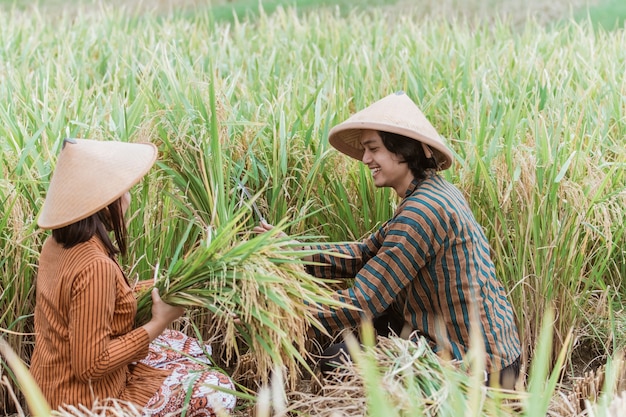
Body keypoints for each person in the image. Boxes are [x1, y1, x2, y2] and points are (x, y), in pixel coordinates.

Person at [254, 91, 522, 389]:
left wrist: (287, 313)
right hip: (492, 352)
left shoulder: (423, 211)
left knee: (340, 363)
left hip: (477, 365)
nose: (366, 159)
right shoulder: (429, 193)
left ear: (404, 152)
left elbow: (365, 300)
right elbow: (364, 253)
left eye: (374, 149)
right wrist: (290, 251)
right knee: (347, 348)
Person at [31, 139, 236, 415]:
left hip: (49, 389)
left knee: (189, 347)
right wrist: (160, 321)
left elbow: (101, 304)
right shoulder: (95, 266)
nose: (129, 198)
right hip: (82, 404)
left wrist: (183, 284)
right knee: (219, 391)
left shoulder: (56, 245)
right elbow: (90, 366)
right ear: (103, 204)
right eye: (124, 191)